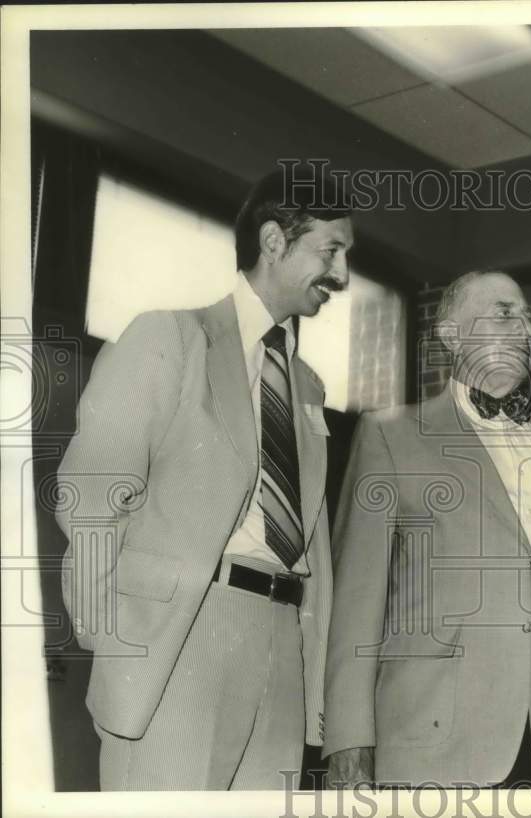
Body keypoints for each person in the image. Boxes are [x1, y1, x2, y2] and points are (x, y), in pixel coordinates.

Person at [56, 168, 353, 790]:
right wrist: (113, 639)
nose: (343, 276)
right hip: (183, 633)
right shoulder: (169, 339)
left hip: (283, 642)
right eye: (331, 251)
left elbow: (312, 538)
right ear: (275, 240)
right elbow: (90, 497)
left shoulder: (310, 388)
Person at [323, 270, 531, 788]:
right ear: (451, 335)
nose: (524, 328)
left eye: (527, 318)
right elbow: (355, 605)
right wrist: (348, 737)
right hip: (433, 743)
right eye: (505, 312)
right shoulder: (390, 436)